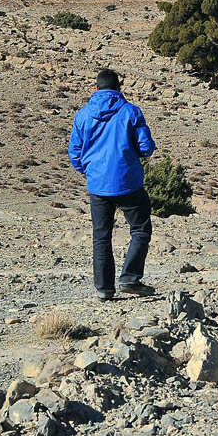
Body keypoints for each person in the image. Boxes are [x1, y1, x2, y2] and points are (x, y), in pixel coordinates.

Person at [69, 69, 157, 301]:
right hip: (128, 182)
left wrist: (89, 172)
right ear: (119, 88)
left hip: (98, 185)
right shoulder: (131, 112)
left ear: (96, 88)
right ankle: (130, 278)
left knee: (101, 236)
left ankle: (104, 289)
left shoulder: (82, 115)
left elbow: (75, 153)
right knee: (140, 230)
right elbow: (146, 147)